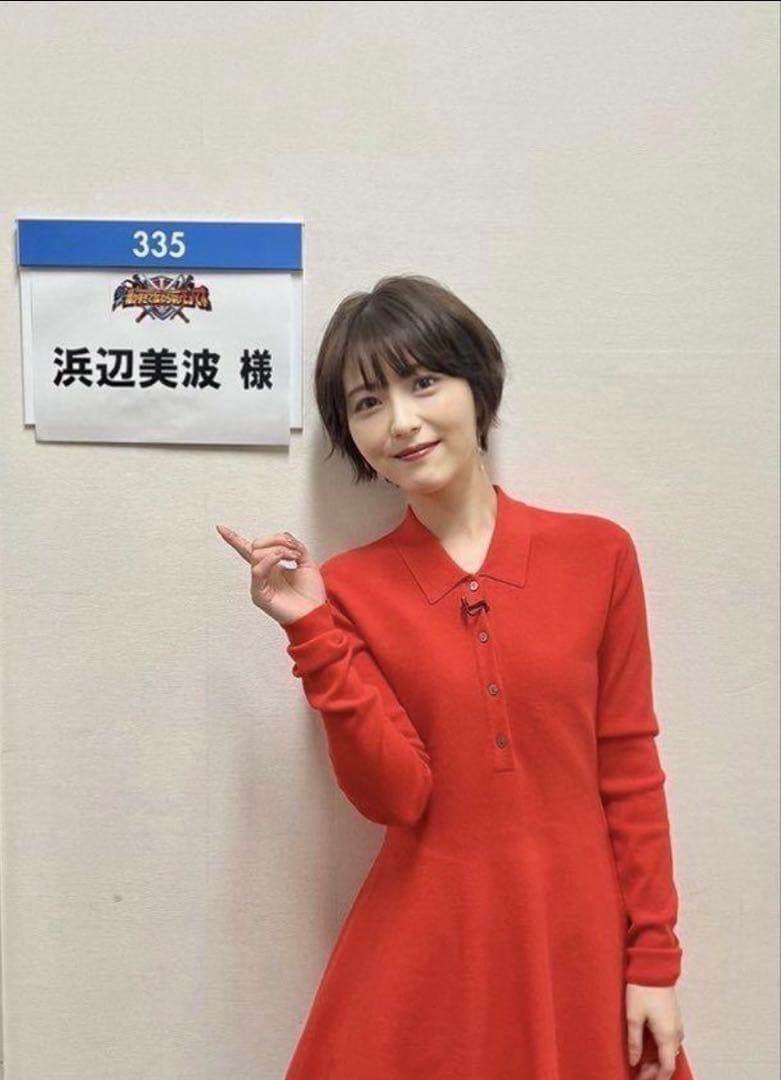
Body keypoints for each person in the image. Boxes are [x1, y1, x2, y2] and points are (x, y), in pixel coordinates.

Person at [216, 275, 695, 1079]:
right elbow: (394, 798)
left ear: (477, 387)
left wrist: (653, 959)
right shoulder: (349, 590)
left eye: (423, 382)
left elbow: (629, 767)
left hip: (575, 938)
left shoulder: (597, 554)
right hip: (431, 944)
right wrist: (311, 631)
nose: (400, 420)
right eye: (367, 402)